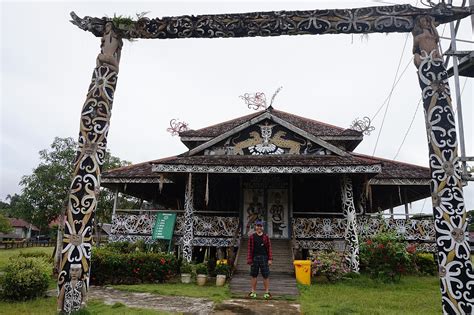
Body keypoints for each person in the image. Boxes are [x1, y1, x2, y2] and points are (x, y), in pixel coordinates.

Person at [247, 219, 272, 299]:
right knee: (254, 275)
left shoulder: (266, 236)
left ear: (262, 227)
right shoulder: (252, 237)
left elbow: (269, 248)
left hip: (264, 257)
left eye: (260, 226)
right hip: (255, 258)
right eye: (258, 226)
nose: (259, 228)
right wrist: (249, 259)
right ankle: (253, 291)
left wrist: (270, 259)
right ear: (255, 227)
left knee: (266, 275)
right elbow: (250, 249)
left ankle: (267, 292)